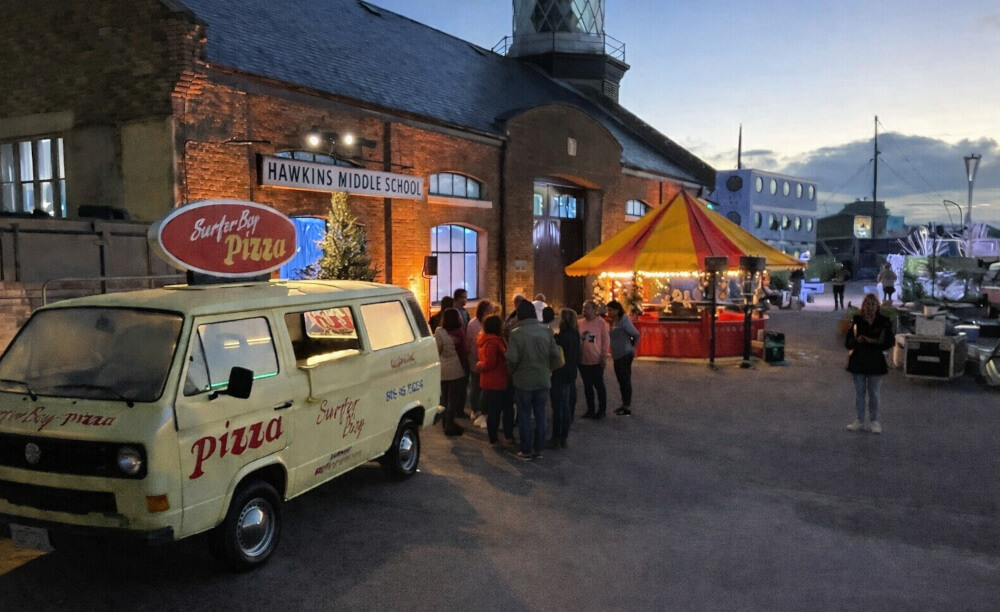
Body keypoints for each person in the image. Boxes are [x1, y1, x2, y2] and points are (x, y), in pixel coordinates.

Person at [506, 299, 561, 460]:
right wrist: (547, 368)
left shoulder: (516, 333)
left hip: (523, 380)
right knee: (540, 414)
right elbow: (556, 354)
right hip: (543, 379)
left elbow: (512, 358)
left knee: (524, 415)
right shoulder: (545, 330)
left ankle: (526, 449)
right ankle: (538, 449)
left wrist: (512, 372)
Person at [844, 293, 893, 434]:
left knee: (874, 394)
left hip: (876, 362)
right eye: (867, 304)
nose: (870, 307)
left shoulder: (884, 322)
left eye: (873, 304)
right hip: (859, 361)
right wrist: (857, 341)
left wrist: (871, 341)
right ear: (863, 306)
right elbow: (848, 343)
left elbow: (889, 342)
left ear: (877, 306)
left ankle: (874, 421)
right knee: (859, 393)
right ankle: (859, 420)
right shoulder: (857, 321)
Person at [477, 314, 515, 447]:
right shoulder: (493, 341)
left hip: (493, 381)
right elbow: (490, 362)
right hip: (498, 380)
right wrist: (481, 365)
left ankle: (498, 437)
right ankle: (498, 438)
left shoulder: (488, 340)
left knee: (497, 410)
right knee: (499, 410)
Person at [549, 308, 580, 448]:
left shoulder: (564, 337)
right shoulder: (575, 335)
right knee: (566, 406)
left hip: (560, 374)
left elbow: (556, 354)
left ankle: (557, 437)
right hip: (570, 373)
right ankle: (564, 436)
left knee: (558, 407)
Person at [434, 308, 468, 437]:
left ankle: (444, 423)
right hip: (456, 369)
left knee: (444, 397)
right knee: (453, 399)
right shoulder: (459, 332)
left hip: (443, 369)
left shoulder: (439, 331)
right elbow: (463, 352)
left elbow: (437, 350)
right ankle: (449, 424)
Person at [606, 300, 639, 416]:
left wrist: (632, 347)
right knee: (622, 380)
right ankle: (624, 404)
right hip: (618, 354)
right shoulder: (616, 320)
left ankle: (627, 407)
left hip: (624, 354)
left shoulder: (624, 320)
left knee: (625, 380)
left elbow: (636, 334)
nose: (608, 312)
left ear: (617, 310)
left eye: (610, 310)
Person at [578, 300, 610, 419]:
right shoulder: (580, 323)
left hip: (596, 360)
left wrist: (603, 357)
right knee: (587, 387)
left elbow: (606, 341)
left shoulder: (601, 323)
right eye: (584, 308)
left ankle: (602, 410)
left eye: (587, 308)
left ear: (594, 309)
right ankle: (590, 409)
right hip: (583, 360)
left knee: (599, 386)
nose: (584, 310)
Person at [466, 299, 493, 422]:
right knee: (476, 385)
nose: (491, 311)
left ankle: (484, 409)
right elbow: (468, 342)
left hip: (486, 359)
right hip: (475, 358)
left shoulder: (490, 322)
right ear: (484, 311)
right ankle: (475, 409)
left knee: (485, 386)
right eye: (489, 309)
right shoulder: (473, 324)